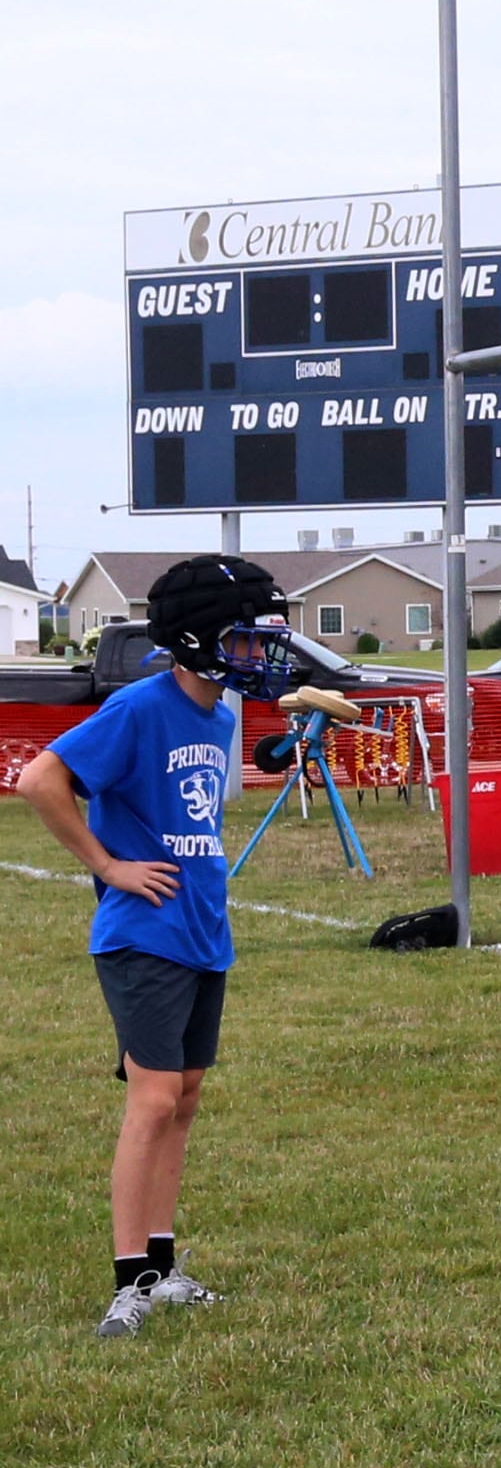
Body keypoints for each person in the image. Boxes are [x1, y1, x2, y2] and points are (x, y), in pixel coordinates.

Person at [16, 555, 295, 1337]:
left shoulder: (218, 713)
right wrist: (107, 866)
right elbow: (41, 778)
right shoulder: (142, 705)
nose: (258, 655)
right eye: (245, 639)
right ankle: (128, 1278)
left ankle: (163, 1268)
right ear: (201, 640)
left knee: (187, 1096)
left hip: (202, 925)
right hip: (144, 934)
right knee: (153, 1098)